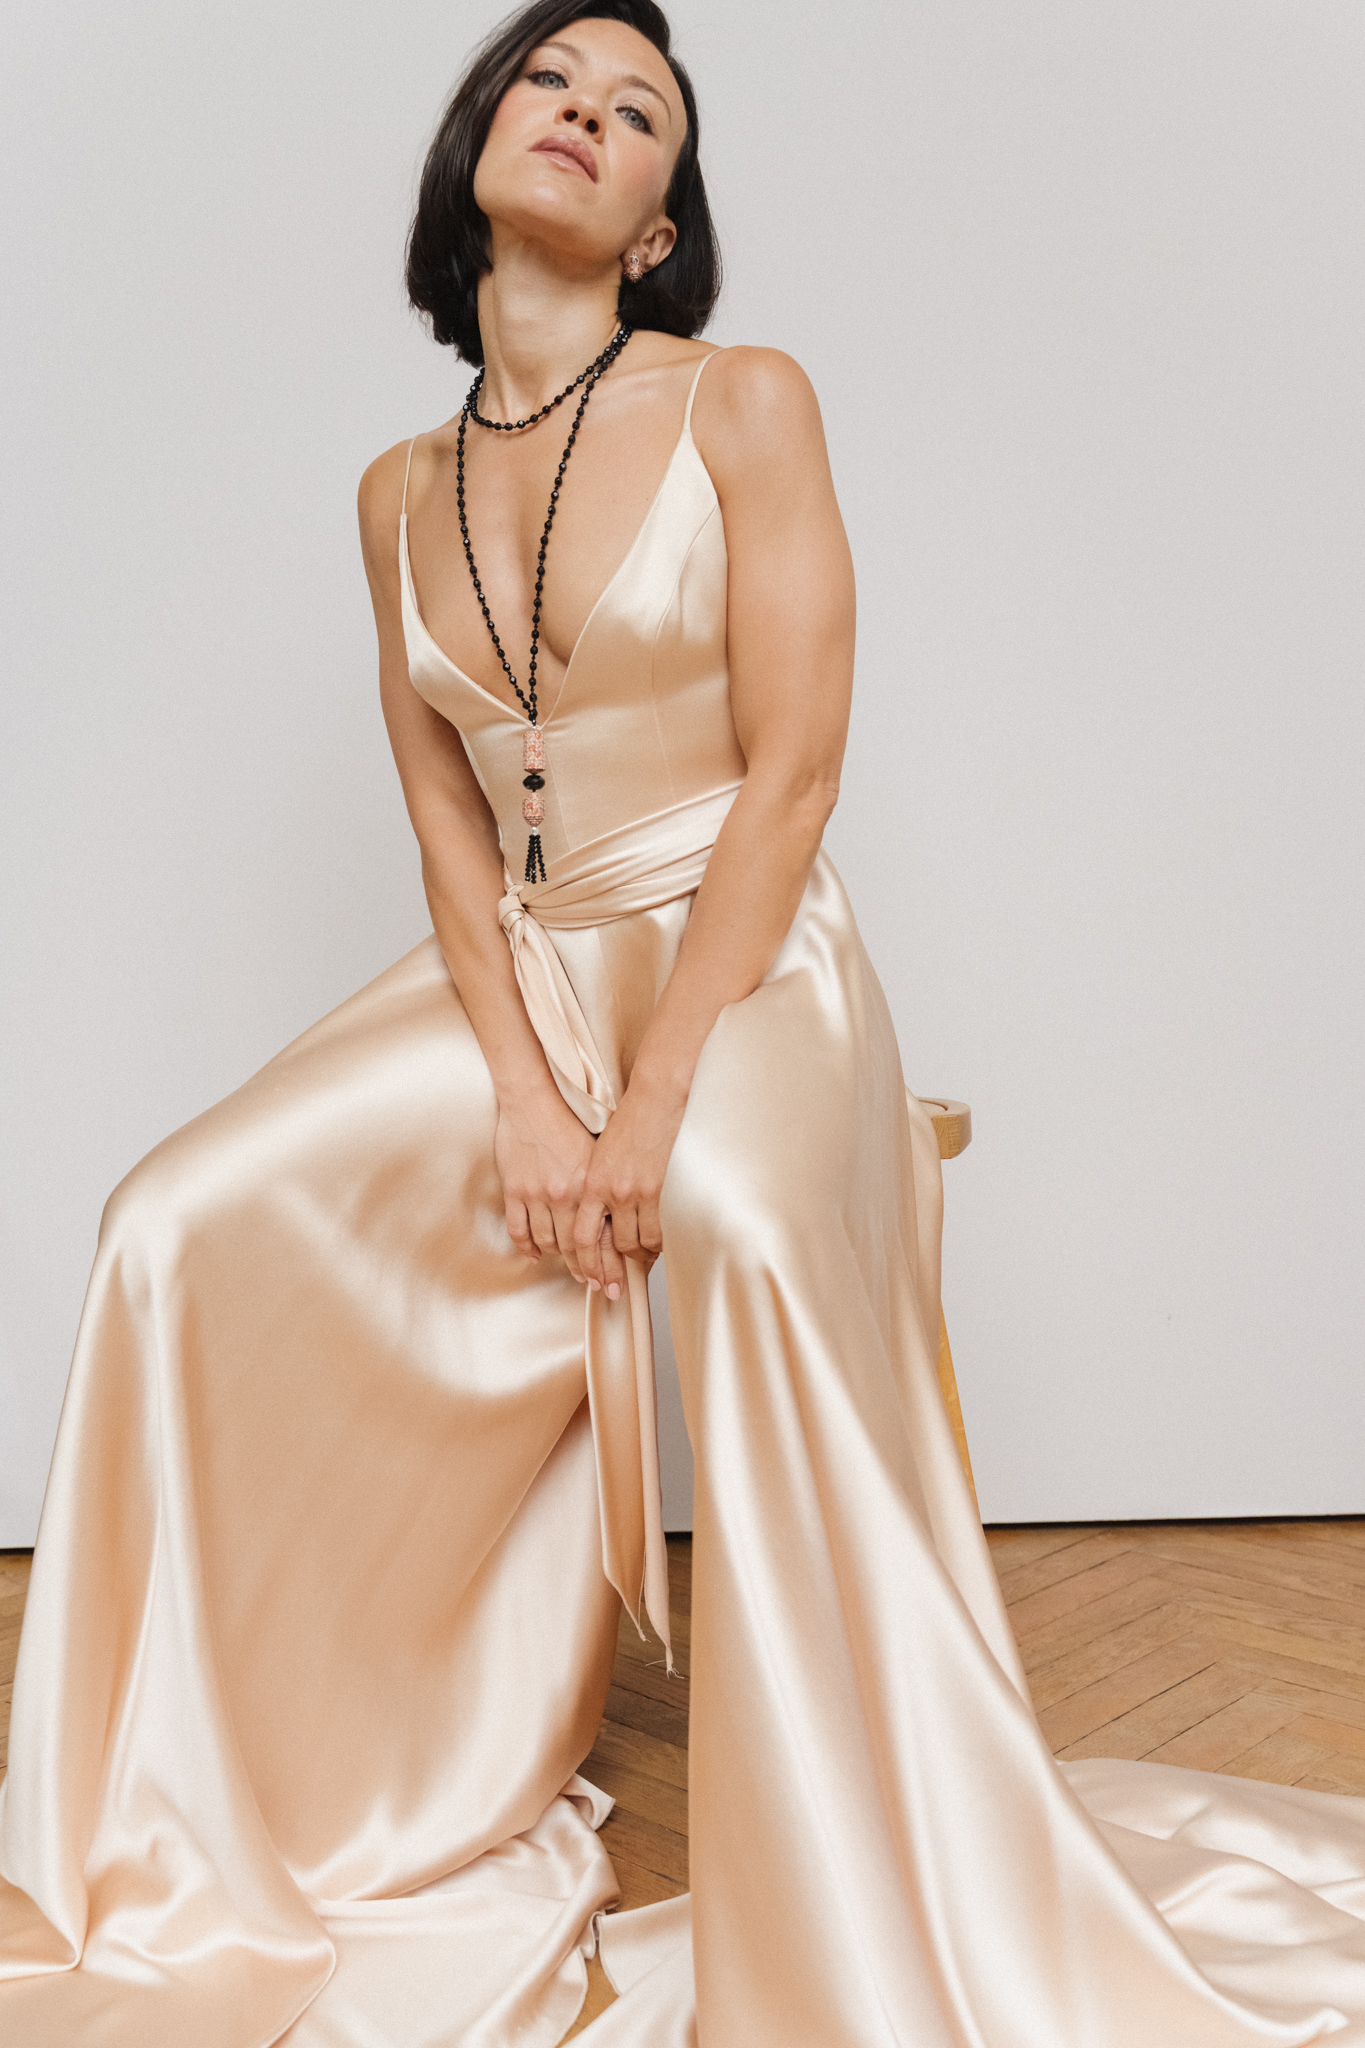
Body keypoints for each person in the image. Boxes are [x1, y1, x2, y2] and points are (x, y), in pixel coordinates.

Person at [3, 2, 1364, 2043]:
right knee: (172, 1220)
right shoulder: (391, 490)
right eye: (549, 82)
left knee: (725, 1214)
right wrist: (528, 1096)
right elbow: (449, 835)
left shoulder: (745, 399)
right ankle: (254, 1806)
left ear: (658, 226)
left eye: (635, 110)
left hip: (743, 943)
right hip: (528, 962)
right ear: (477, 146)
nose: (582, 111)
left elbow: (794, 774)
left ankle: (857, 1877)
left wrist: (643, 1108)